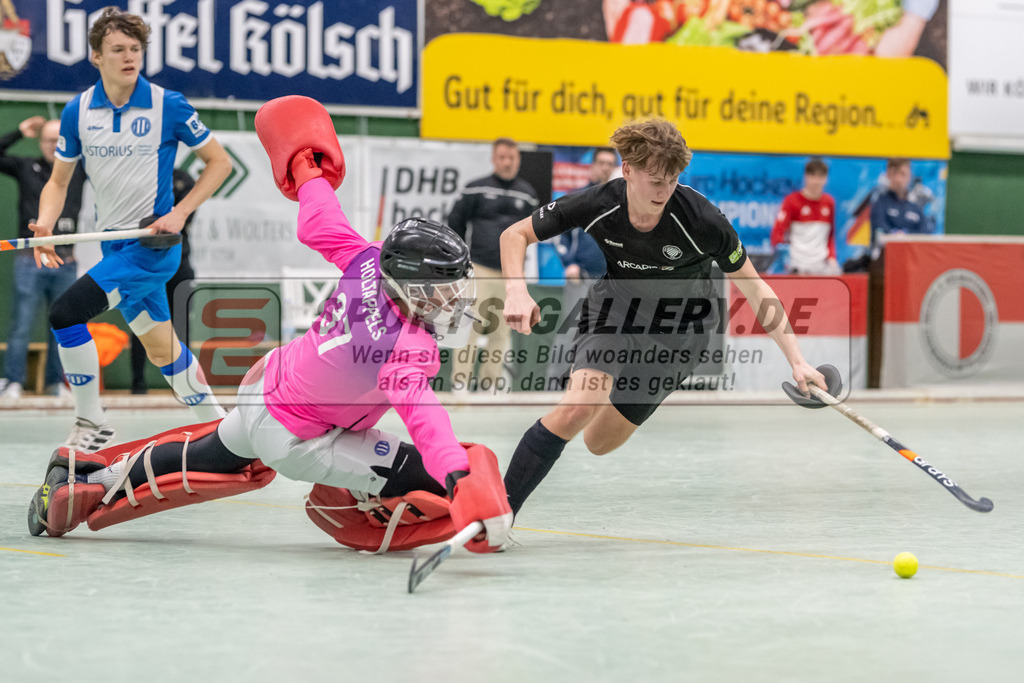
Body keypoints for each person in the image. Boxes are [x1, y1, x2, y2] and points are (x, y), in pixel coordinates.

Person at [26, 95, 513, 555]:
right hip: (302, 441)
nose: (451, 299)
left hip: (264, 390)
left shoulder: (367, 260)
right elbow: (425, 419)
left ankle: (90, 481)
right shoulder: (407, 345)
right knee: (428, 474)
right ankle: (354, 508)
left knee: (209, 455)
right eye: (442, 287)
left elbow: (317, 219)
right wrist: (456, 479)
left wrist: (306, 166)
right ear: (410, 287)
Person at [499, 118, 828, 516]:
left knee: (597, 442)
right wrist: (517, 290)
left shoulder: (703, 221)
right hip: (615, 311)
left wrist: (797, 360)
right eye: (655, 181)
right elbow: (513, 235)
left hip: (680, 334)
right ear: (628, 170)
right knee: (577, 409)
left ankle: (602, 388)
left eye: (672, 181)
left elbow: (756, 288)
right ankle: (500, 513)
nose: (664, 192)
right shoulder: (599, 203)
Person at [29, 7, 232, 452]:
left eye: (135, 49)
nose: (129, 58)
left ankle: (91, 421)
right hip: (113, 246)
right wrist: (44, 223)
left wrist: (180, 212)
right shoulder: (77, 111)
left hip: (151, 248)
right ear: (97, 56)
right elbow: (58, 182)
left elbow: (220, 163)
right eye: (117, 50)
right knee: (162, 352)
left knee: (66, 315)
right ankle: (223, 430)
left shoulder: (168, 105)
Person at [0, 116, 85, 401]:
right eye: (49, 140)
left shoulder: (79, 170)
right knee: (22, 322)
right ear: (40, 142)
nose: (54, 146)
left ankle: (58, 383)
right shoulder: (27, 166)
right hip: (30, 259)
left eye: (59, 141)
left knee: (64, 323)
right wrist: (18, 132)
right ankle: (13, 381)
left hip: (65, 260)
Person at [447, 137, 538, 394]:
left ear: (518, 159)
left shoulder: (528, 194)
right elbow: (455, 223)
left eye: (512, 157)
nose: (507, 162)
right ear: (494, 159)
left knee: (502, 333)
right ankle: (461, 383)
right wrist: (461, 261)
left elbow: (533, 232)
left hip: (511, 276)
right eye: (502, 157)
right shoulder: (475, 189)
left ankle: (489, 385)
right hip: (479, 269)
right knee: (469, 329)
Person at [545, 147, 618, 388]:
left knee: (606, 336)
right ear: (593, 165)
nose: (605, 167)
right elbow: (557, 234)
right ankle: (553, 386)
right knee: (570, 331)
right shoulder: (579, 198)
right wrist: (569, 263)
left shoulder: (621, 202)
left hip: (610, 282)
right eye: (602, 162)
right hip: (582, 277)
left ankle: (595, 388)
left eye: (610, 163)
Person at [128, 168, 197, 394]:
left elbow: (183, 216)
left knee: (181, 323)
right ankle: (138, 382)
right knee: (142, 321)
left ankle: (184, 385)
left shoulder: (183, 179)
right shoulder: (136, 178)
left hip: (178, 259)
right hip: (145, 262)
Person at [769, 158, 839, 276]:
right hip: (796, 266)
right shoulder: (792, 201)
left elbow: (830, 235)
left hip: (821, 267)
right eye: (813, 176)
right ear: (806, 176)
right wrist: (785, 261)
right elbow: (777, 233)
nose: (816, 182)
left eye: (820, 177)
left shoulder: (829, 202)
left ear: (826, 179)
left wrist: (832, 258)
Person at [869, 158, 932, 252]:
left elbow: (925, 232)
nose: (904, 179)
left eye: (907, 174)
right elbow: (879, 228)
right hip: (886, 257)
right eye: (901, 174)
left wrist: (906, 236)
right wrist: (895, 236)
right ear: (890, 174)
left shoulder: (914, 207)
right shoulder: (881, 203)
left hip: (912, 257)